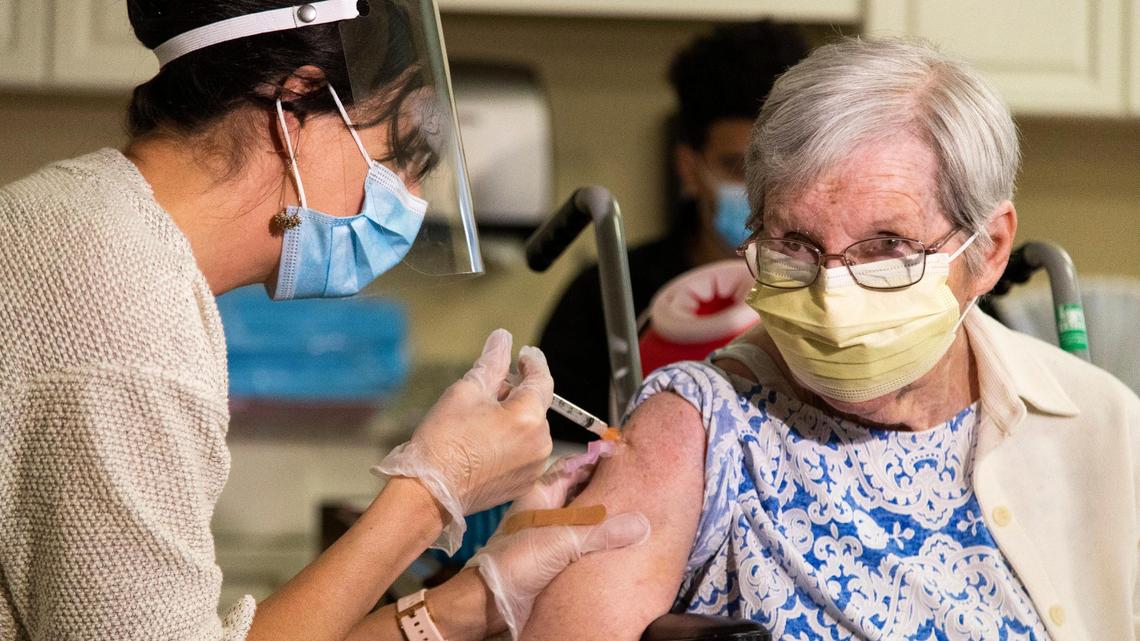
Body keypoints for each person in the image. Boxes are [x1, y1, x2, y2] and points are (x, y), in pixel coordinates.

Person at [0, 2, 648, 640]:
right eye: (398, 155)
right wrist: (431, 491)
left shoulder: (87, 214)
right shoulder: (128, 316)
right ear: (296, 109)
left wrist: (473, 600)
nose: (411, 200)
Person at [520, 38, 1140, 640]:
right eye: (794, 244)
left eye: (888, 247)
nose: (833, 296)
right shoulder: (698, 428)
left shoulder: (1102, 424)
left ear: (990, 249)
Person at [537, 21, 809, 440]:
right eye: (738, 167)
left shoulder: (831, 297)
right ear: (689, 168)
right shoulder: (607, 296)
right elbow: (558, 450)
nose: (762, 190)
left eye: (781, 167)